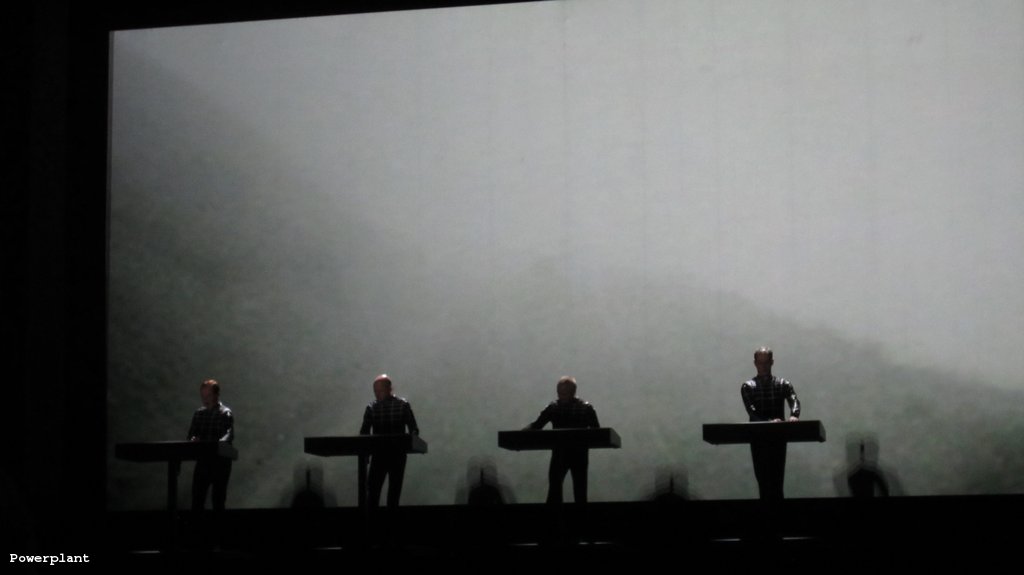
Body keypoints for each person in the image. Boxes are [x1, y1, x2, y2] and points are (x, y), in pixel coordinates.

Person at [526, 376, 600, 504]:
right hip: (575, 453)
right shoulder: (585, 408)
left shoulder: (556, 407)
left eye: (564, 393)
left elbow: (536, 426)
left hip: (564, 453)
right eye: (559, 393)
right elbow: (537, 425)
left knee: (571, 490)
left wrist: (521, 435)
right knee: (562, 490)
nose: (560, 396)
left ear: (573, 392)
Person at [740, 347, 800, 500]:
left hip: (777, 436)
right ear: (755, 363)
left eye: (766, 362)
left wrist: (794, 415)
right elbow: (752, 412)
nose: (763, 366)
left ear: (772, 362)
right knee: (762, 478)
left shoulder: (782, 384)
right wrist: (769, 422)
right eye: (760, 363)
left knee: (777, 477)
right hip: (758, 436)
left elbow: (793, 400)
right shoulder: (748, 386)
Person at [360, 374, 419, 508]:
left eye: (380, 391)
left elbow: (413, 429)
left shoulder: (374, 407)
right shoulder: (400, 405)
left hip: (386, 455)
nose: (377, 394)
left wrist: (366, 454)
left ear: (389, 389)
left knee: (384, 492)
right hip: (391, 455)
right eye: (375, 391)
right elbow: (414, 430)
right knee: (380, 492)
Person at [187, 379, 234, 511]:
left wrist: (216, 445)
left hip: (220, 463)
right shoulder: (199, 414)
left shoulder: (225, 413)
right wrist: (193, 440)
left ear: (216, 395)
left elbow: (228, 435)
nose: (205, 399)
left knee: (218, 500)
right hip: (203, 462)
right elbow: (190, 435)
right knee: (197, 499)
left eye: (208, 396)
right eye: (203, 396)